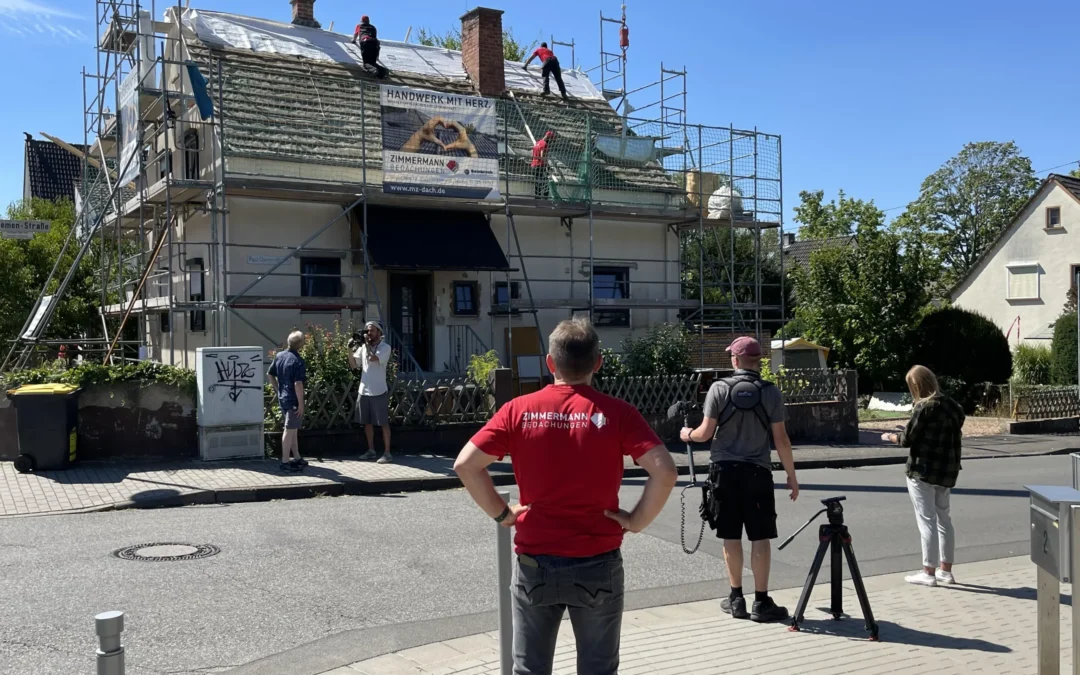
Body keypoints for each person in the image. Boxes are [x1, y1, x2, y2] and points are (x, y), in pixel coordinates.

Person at [454, 318, 678, 675]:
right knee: (598, 669)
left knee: (529, 668)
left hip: (535, 561)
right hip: (598, 561)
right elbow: (665, 472)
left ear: (550, 363)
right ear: (598, 363)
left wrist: (502, 514)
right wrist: (635, 521)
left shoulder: (517, 410)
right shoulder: (619, 414)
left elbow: (466, 464)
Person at [680, 336, 798, 623]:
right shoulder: (770, 391)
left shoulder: (719, 388)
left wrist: (688, 435)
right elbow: (780, 438)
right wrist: (791, 476)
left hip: (723, 472)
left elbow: (705, 433)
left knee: (730, 535)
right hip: (757, 473)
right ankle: (761, 602)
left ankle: (736, 599)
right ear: (758, 360)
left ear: (735, 359)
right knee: (760, 536)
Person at [882, 365, 964, 587]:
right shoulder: (954, 406)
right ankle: (946, 571)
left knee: (926, 520)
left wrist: (890, 436)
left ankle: (928, 572)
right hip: (947, 471)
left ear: (916, 386)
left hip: (922, 470)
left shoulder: (923, 408)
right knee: (944, 519)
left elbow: (907, 439)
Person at [348, 320, 393, 464]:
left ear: (379, 333)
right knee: (367, 423)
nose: (368, 333)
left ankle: (387, 453)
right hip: (364, 389)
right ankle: (371, 450)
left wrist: (366, 344)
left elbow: (373, 358)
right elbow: (354, 365)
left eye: (371, 330)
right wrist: (350, 350)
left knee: (383, 423)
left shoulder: (385, 347)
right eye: (367, 331)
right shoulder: (362, 347)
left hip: (379, 390)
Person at [267, 330, 309, 472]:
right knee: (289, 430)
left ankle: (297, 457)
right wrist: (301, 404)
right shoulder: (298, 361)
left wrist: (277, 388)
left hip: (283, 397)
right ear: (301, 345)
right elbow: (298, 384)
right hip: (292, 400)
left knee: (293, 429)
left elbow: (270, 374)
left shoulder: (279, 356)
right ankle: (285, 461)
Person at [530, 131, 555, 198]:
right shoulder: (544, 144)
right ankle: (545, 200)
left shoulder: (537, 143)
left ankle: (537, 198)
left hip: (534, 165)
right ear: (548, 138)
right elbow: (542, 156)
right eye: (551, 140)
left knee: (538, 183)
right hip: (540, 166)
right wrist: (548, 167)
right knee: (546, 185)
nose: (551, 142)